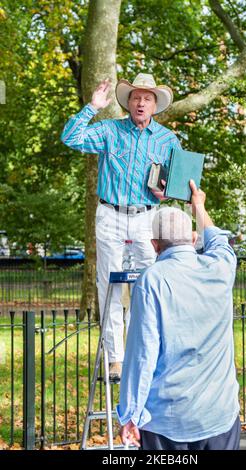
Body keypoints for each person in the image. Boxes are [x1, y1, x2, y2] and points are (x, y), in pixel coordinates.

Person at [61, 73, 181, 381]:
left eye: (147, 98)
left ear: (155, 105)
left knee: (151, 285)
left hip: (145, 217)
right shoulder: (109, 130)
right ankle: (115, 358)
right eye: (136, 97)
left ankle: (148, 351)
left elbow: (178, 184)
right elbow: (70, 138)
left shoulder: (168, 140)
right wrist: (91, 107)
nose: (141, 102)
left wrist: (166, 191)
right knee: (110, 287)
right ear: (128, 102)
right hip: (111, 215)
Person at [117, 180, 240, 450]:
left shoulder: (152, 280)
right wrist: (198, 207)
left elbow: (142, 353)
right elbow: (218, 240)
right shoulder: (220, 267)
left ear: (154, 245)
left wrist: (131, 414)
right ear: (194, 239)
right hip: (220, 415)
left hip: (168, 422)